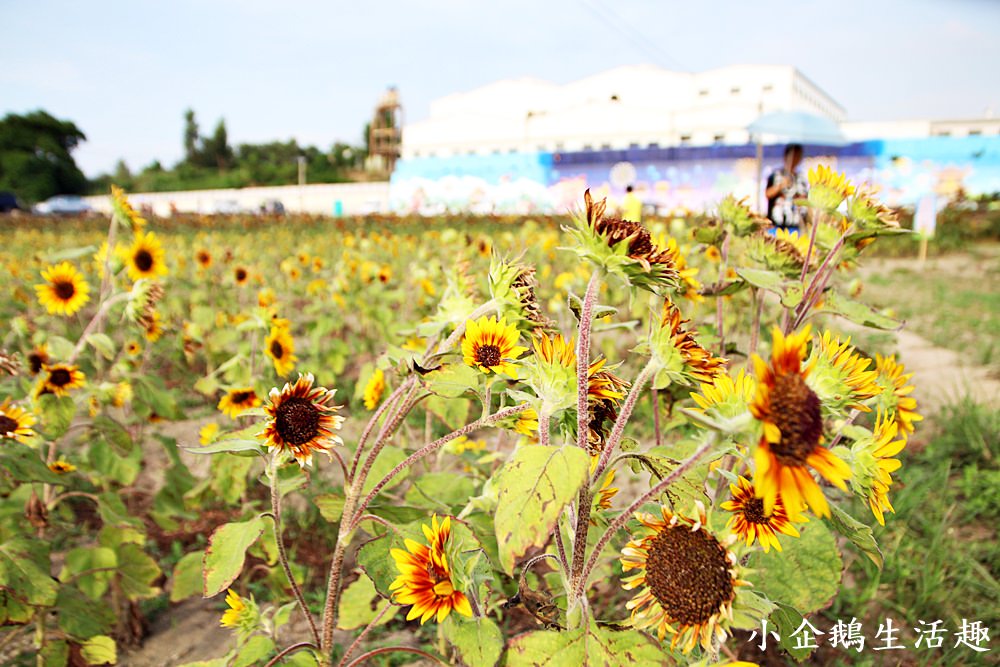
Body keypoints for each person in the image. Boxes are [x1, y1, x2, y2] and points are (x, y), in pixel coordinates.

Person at [764, 144, 808, 232]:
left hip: (796, 225)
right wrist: (780, 186)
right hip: (776, 225)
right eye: (794, 155)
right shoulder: (775, 175)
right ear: (786, 156)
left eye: (798, 156)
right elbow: (767, 194)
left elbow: (805, 198)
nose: (796, 159)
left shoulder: (801, 177)